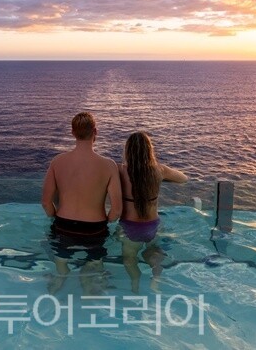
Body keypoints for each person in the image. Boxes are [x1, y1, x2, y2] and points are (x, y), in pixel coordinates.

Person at [41, 112, 122, 293]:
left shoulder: (57, 162)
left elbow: (46, 202)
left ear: (73, 133)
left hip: (64, 226)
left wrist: (55, 217)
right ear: (95, 132)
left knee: (61, 262)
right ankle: (91, 290)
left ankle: (61, 277)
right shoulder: (109, 165)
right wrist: (107, 221)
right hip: (95, 229)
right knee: (95, 265)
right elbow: (117, 210)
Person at [118, 131, 187, 292]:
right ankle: (155, 279)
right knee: (154, 253)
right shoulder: (159, 170)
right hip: (152, 225)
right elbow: (184, 178)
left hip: (129, 226)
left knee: (129, 259)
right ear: (149, 150)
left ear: (128, 150)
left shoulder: (120, 170)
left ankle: (135, 283)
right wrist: (163, 177)